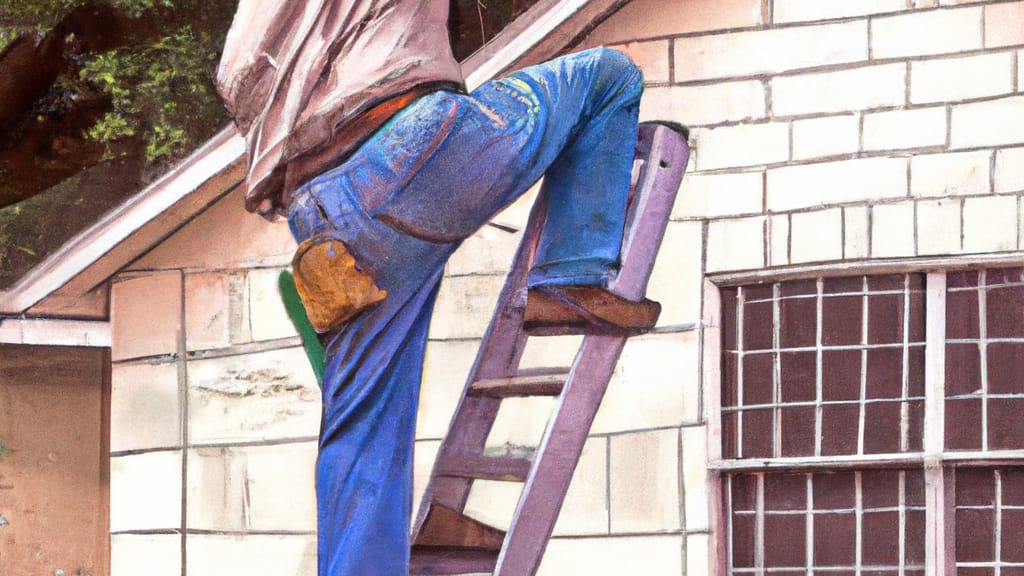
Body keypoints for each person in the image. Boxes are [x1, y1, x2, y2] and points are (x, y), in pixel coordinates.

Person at [217, 1, 659, 573]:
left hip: (322, 211)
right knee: (607, 77)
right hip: (414, 147)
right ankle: (571, 274)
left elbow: (236, 76)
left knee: (361, 429)